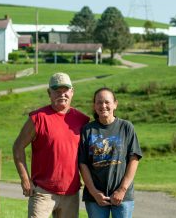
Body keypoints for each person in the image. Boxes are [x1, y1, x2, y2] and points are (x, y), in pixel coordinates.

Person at [13, 72, 90, 218]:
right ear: (49, 93)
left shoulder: (82, 120)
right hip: (42, 192)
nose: (62, 94)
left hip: (71, 193)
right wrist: (25, 179)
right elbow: (17, 147)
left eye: (65, 90)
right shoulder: (38, 118)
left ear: (72, 92)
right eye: (57, 91)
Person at [79, 87, 142, 218]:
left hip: (122, 197)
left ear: (115, 104)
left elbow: (134, 159)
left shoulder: (126, 127)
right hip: (95, 198)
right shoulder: (87, 130)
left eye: (107, 102)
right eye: (99, 102)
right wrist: (94, 192)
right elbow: (83, 164)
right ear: (94, 106)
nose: (103, 106)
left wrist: (122, 190)